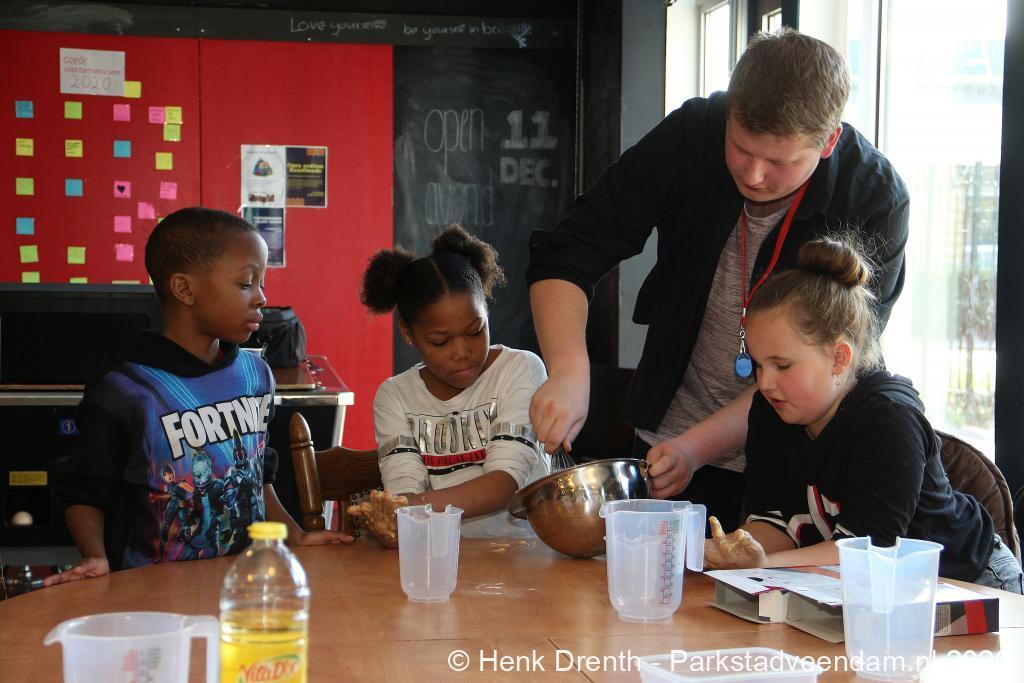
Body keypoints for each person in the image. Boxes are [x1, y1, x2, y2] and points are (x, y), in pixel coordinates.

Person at [526, 28, 909, 532]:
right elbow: (569, 251)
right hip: (668, 446)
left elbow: (833, 362)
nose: (753, 175)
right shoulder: (693, 134)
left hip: (793, 467)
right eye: (741, 148)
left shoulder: (874, 198)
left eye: (780, 161)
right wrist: (569, 370)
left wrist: (698, 447)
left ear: (829, 141)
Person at [44, 207, 349, 587]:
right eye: (246, 284)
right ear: (184, 289)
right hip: (152, 593)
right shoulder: (127, 390)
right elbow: (84, 489)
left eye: (262, 284)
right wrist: (95, 555)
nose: (261, 298)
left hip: (243, 585)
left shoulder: (256, 375)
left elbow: (256, 477)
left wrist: (295, 536)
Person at [702, 238, 1023, 592]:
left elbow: (867, 552)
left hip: (967, 579)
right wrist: (739, 551)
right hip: (868, 590)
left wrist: (764, 564)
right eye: (759, 365)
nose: (764, 383)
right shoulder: (770, 411)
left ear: (839, 358)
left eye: (782, 365)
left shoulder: (889, 421)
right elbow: (773, 521)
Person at [356, 224, 550, 542]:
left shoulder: (519, 370)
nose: (462, 352)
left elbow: (505, 482)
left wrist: (406, 508)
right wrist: (399, 509)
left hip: (525, 551)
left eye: (476, 331)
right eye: (440, 341)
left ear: (486, 310)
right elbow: (403, 484)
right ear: (408, 333)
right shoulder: (395, 396)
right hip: (441, 554)